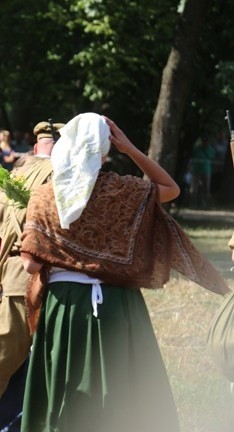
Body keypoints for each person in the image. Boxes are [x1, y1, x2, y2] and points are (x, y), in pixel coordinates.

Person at [19, 113, 230, 432]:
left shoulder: (45, 196)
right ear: (105, 151)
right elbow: (169, 188)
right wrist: (130, 148)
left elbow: (30, 264)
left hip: (66, 306)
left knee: (65, 394)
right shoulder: (127, 192)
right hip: (118, 304)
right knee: (125, 395)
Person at [0, 120, 64, 432]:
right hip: (63, 280)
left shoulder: (17, 175)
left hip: (16, 279)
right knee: (57, 363)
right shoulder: (72, 175)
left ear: (37, 148)